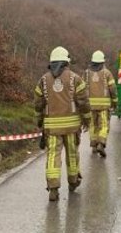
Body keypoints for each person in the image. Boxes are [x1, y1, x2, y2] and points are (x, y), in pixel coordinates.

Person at [34, 46, 91, 202]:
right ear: (67, 61)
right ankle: (73, 182)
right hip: (72, 127)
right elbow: (83, 102)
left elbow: (38, 104)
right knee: (72, 154)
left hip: (52, 128)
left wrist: (39, 120)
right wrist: (87, 119)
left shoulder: (43, 80)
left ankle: (53, 187)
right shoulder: (75, 78)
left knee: (53, 156)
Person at [83, 50, 117, 158]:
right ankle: (101, 143)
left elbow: (81, 90)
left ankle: (93, 145)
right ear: (103, 61)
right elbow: (113, 89)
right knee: (103, 125)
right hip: (103, 106)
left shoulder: (86, 73)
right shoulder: (107, 73)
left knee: (92, 125)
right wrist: (115, 101)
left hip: (90, 105)